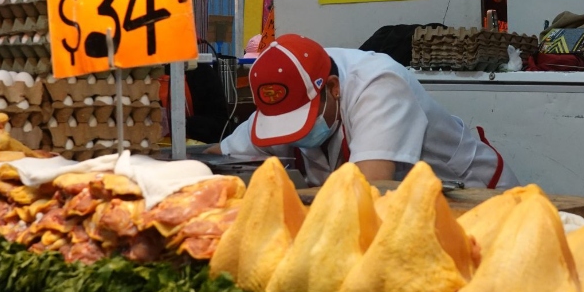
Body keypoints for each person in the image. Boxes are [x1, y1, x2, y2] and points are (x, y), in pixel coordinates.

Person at [206, 34, 518, 188]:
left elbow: (369, 190)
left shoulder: (379, 84)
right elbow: (222, 155)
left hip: (473, 195)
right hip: (405, 209)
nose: (296, 136)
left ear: (333, 88)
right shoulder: (287, 89)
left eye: (303, 121)